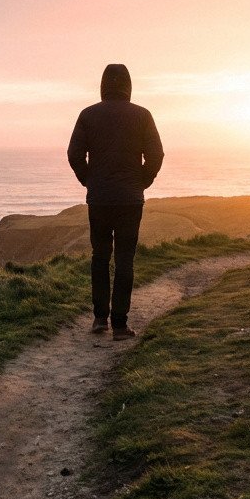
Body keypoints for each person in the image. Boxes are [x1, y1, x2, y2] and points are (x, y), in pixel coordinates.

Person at [67, 64, 164, 340]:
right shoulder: (142, 115)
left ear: (103, 86)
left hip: (99, 199)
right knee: (125, 261)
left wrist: (89, 180)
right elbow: (156, 155)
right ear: (129, 86)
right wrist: (141, 182)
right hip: (130, 200)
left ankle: (100, 319)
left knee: (99, 257)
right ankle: (120, 325)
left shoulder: (88, 115)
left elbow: (74, 154)